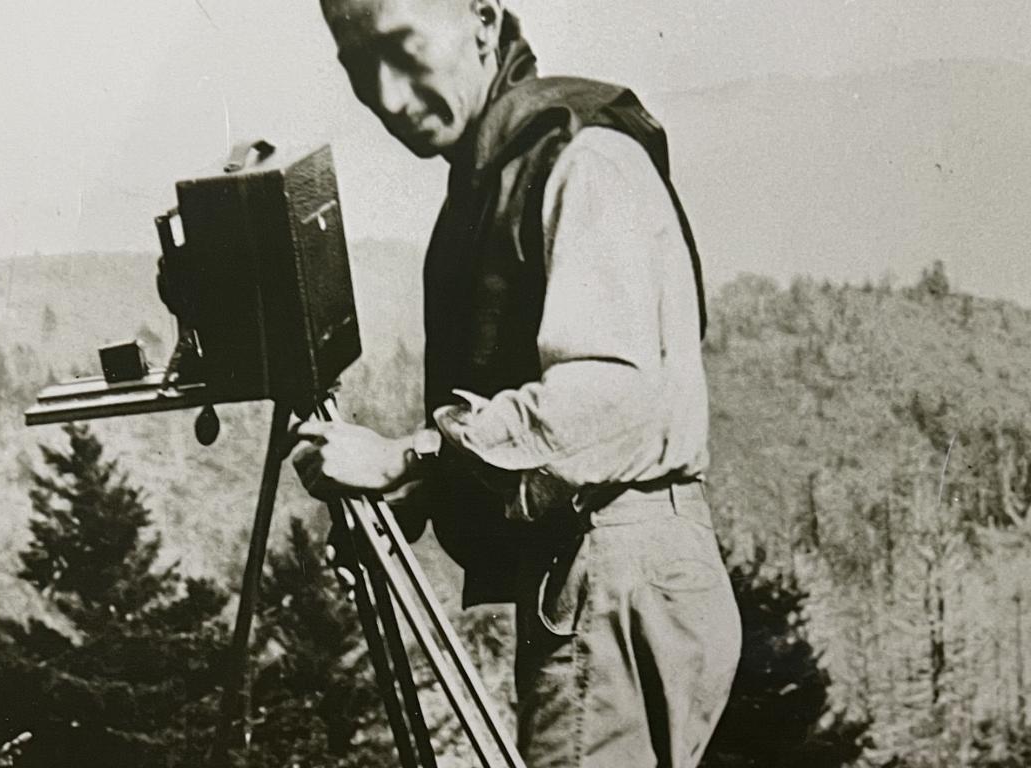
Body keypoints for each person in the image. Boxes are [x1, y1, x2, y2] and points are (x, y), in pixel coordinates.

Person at [289, 1, 742, 765]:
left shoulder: (577, 158)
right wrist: (429, 493)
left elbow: (611, 403)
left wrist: (411, 457)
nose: (388, 97)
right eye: (360, 68)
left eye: (402, 51)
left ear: (483, 19)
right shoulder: (505, 165)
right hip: (609, 571)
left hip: (611, 572)